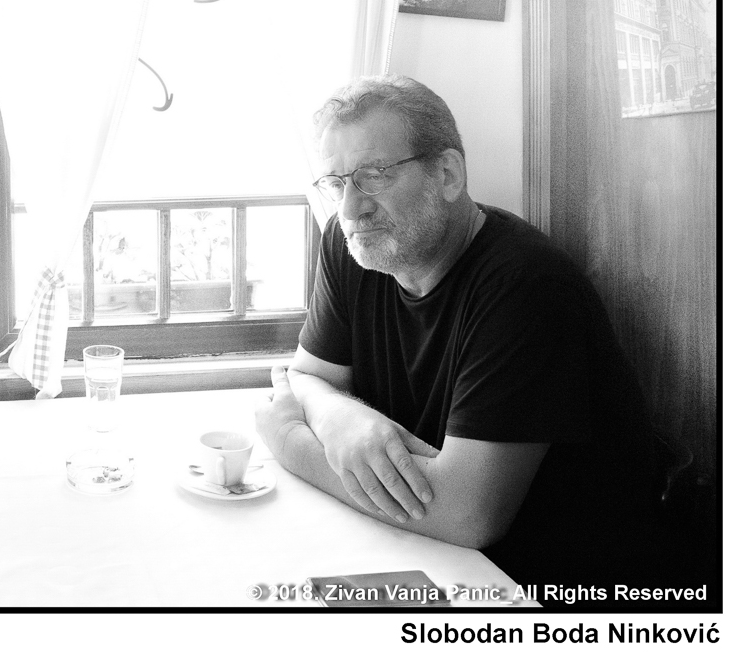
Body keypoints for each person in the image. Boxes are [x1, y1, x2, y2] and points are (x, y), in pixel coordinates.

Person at [255, 74, 664, 589]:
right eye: (336, 184)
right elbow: (307, 377)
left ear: (447, 174)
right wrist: (340, 417)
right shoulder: (351, 241)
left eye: (373, 176)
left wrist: (290, 440)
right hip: (430, 550)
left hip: (550, 586)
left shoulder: (527, 286)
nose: (351, 208)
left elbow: (468, 514)